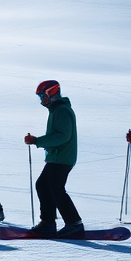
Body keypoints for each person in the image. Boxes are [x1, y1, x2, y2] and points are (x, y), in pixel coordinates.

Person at [23, 80, 83, 236]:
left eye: (43, 96)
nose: (42, 100)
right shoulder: (56, 110)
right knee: (43, 185)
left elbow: (62, 136)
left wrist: (37, 141)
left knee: (55, 188)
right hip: (57, 157)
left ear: (52, 93)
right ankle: (48, 223)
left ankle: (73, 224)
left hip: (62, 158)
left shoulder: (61, 110)